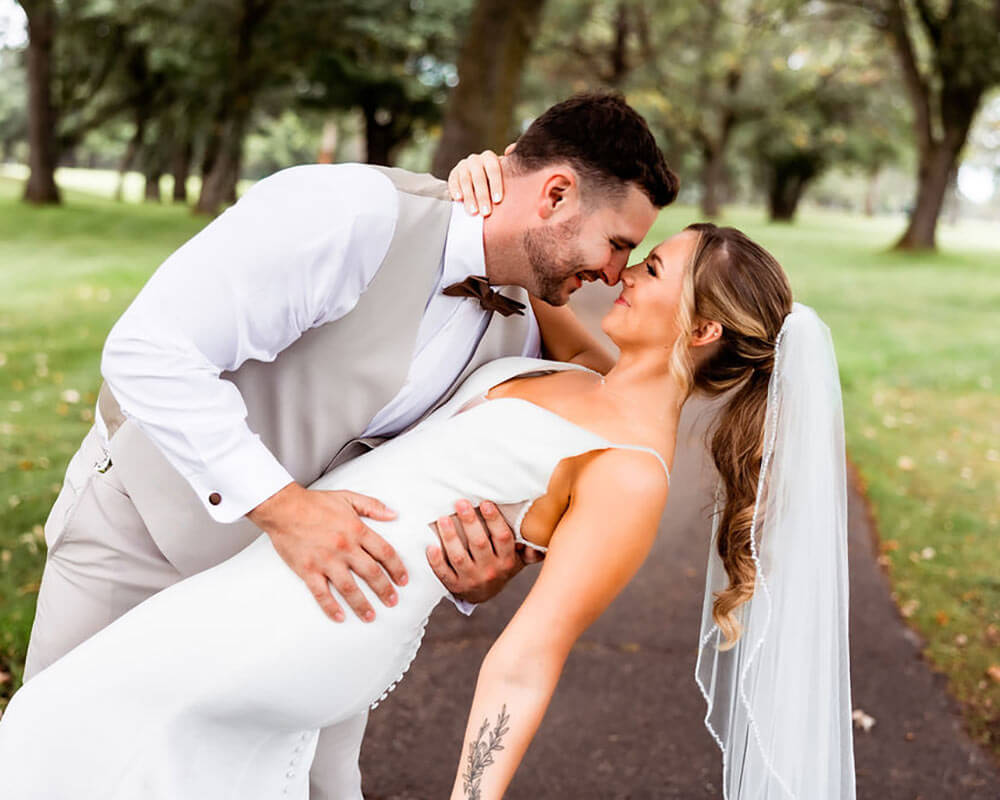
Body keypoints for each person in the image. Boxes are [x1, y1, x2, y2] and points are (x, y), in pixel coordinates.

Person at [0, 217, 856, 798]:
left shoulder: (631, 474)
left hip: (327, 610)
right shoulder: (589, 373)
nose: (624, 272)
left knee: (66, 723)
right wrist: (485, 176)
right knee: (111, 745)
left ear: (701, 330)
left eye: (654, 268)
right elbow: (542, 266)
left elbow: (528, 656)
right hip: (278, 574)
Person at [18, 93, 678, 797]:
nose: (615, 274)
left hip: (301, 612)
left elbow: (611, 410)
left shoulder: (524, 329)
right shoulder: (351, 215)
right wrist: (288, 512)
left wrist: (475, 575)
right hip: (143, 541)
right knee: (55, 762)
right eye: (616, 244)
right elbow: (148, 351)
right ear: (555, 193)